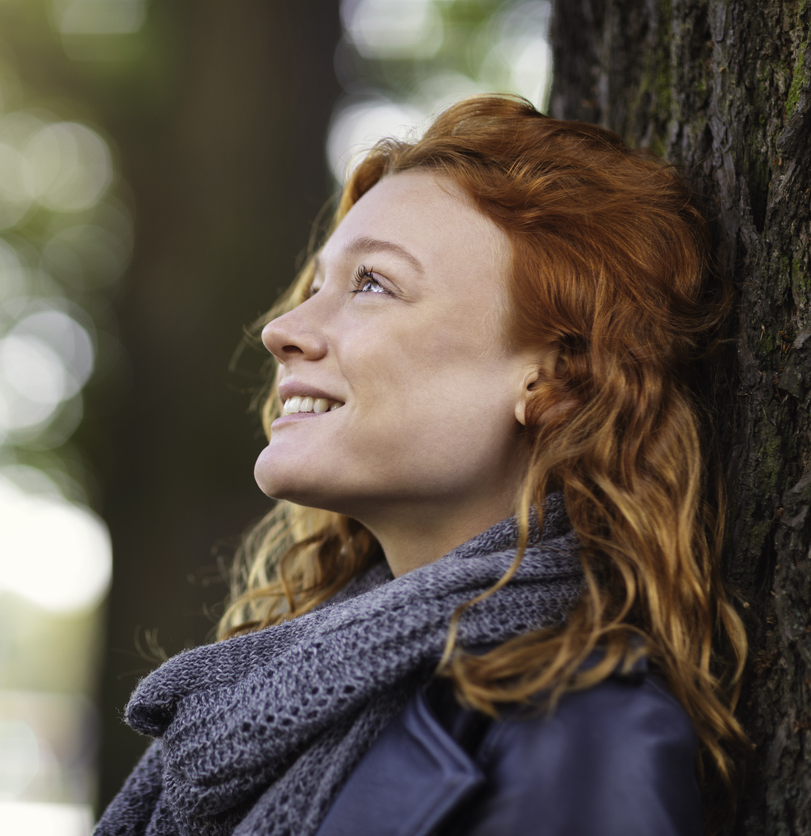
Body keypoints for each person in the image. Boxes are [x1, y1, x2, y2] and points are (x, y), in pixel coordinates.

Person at [94, 95, 748, 836]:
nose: (283, 330)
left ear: (553, 378)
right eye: (317, 287)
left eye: (373, 284)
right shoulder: (276, 691)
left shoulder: (584, 737)